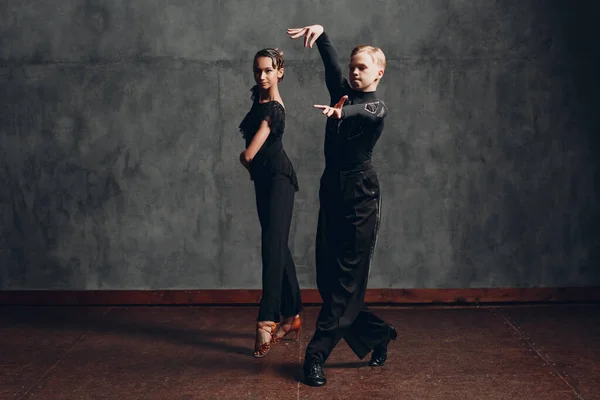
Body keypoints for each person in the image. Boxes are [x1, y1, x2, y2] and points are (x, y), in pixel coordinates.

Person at [287, 25, 397, 386]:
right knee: (329, 279)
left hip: (360, 194)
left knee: (347, 282)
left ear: (378, 72)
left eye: (362, 67)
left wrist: (341, 114)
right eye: (353, 66)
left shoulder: (372, 106)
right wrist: (321, 34)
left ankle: (315, 355)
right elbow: (331, 64)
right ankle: (377, 334)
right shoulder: (342, 91)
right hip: (331, 187)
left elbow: (372, 111)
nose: (354, 72)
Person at [238, 48, 303, 358]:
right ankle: (294, 314)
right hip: (264, 181)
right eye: (257, 71)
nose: (262, 76)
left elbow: (250, 154)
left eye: (267, 70)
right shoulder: (259, 99)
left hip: (278, 181)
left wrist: (245, 159)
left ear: (280, 72)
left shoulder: (274, 109)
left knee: (271, 248)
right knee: (278, 246)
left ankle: (268, 319)